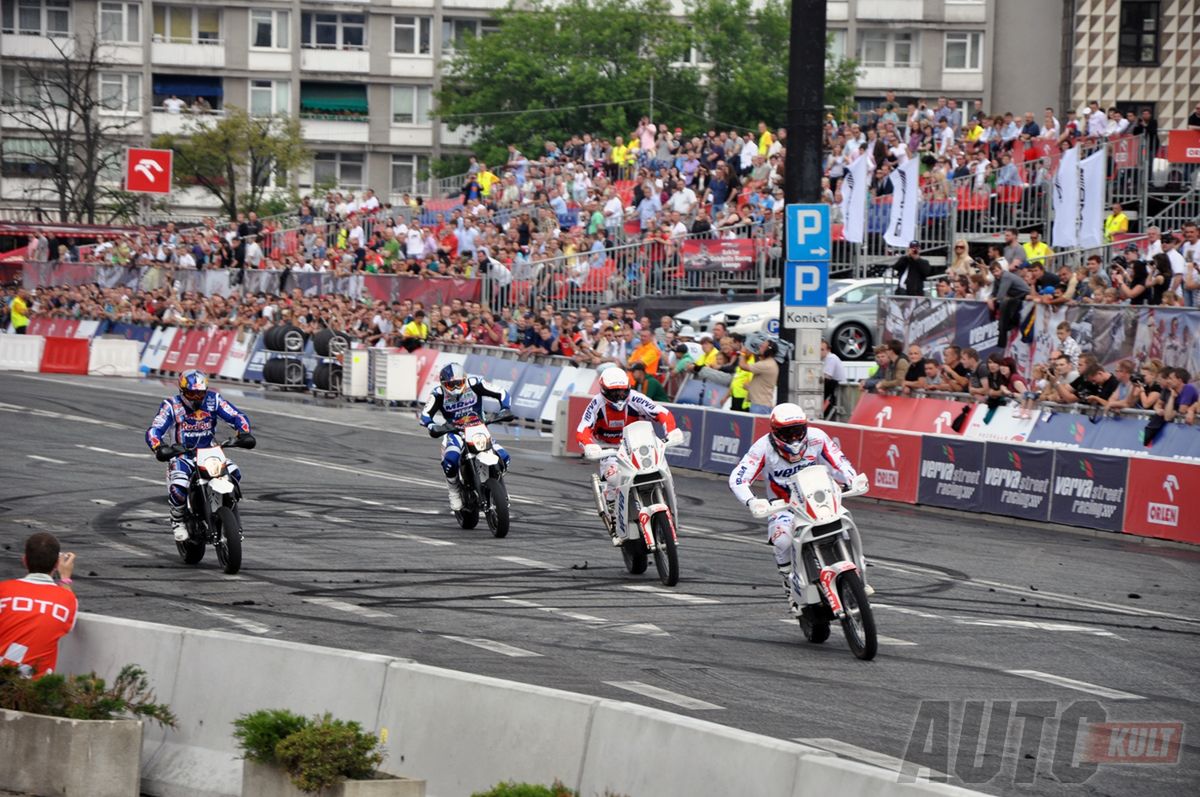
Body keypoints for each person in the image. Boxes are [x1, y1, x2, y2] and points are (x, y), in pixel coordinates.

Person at [728, 403, 870, 615]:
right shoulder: (762, 447)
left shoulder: (817, 437)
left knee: (846, 523)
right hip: (784, 507)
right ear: (775, 432)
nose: (794, 438)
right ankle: (788, 584)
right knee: (782, 540)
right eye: (787, 433)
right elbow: (738, 478)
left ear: (805, 428)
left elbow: (839, 462)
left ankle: (860, 575)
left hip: (820, 501)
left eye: (798, 431)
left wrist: (853, 478)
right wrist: (752, 501)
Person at [146, 370, 254, 542]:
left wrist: (244, 432)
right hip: (183, 456)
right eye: (191, 393)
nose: (196, 398)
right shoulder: (171, 405)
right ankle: (177, 519)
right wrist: (159, 447)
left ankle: (229, 513)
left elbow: (236, 415)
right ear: (182, 391)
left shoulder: (214, 399)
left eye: (200, 393)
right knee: (179, 487)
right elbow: (154, 430)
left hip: (211, 453)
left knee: (235, 473)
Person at [577, 368, 680, 541]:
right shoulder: (596, 404)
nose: (619, 395)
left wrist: (671, 431)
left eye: (622, 391)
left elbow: (662, 413)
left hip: (638, 445)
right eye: (614, 392)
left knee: (661, 468)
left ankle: (669, 503)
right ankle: (612, 509)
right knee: (612, 478)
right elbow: (582, 429)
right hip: (610, 449)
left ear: (628, 387)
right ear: (603, 390)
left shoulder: (636, 398)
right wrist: (589, 445)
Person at [419, 363, 514, 511]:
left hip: (479, 429)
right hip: (455, 432)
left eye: (459, 383)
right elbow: (424, 415)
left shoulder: (476, 384)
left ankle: (498, 487)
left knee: (505, 457)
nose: (456, 388)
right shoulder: (438, 394)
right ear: (443, 384)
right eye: (451, 385)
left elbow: (502, 393)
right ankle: (454, 491)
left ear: (465, 379)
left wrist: (505, 409)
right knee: (451, 460)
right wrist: (433, 426)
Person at [0, 533, 77, 678]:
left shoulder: (3, 590)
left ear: (24, 560)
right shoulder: (67, 599)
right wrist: (65, 578)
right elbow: (69, 624)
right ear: (56, 564)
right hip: (35, 690)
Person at [740, 338, 780, 414]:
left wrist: (742, 353)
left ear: (768, 350)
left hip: (760, 406)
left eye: (762, 346)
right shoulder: (769, 363)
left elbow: (742, 366)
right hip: (760, 404)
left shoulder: (766, 364)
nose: (759, 348)